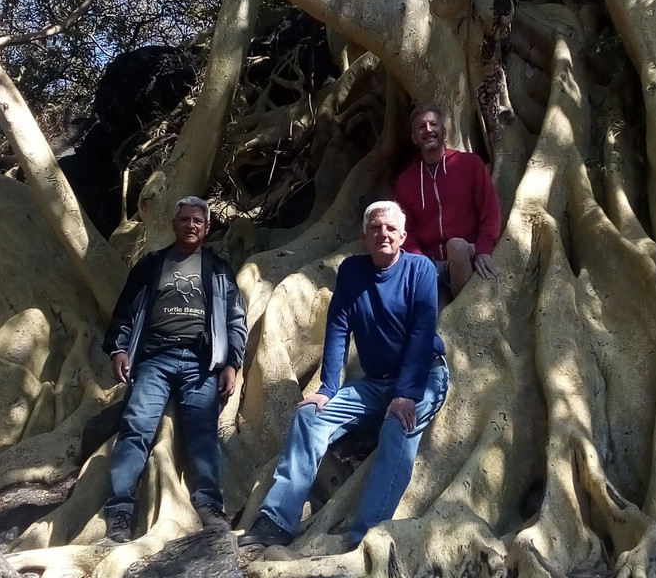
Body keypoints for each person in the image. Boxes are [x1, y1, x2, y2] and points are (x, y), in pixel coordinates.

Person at [237, 200, 448, 549]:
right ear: (364, 235)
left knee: (397, 428)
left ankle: (363, 538)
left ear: (403, 236)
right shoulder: (352, 271)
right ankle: (276, 519)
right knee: (309, 415)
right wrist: (328, 388)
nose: (383, 234)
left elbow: (422, 332)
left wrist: (407, 393)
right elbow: (338, 326)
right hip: (375, 383)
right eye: (376, 228)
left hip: (423, 377)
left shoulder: (420, 270)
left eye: (391, 229)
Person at [101, 196, 248, 543]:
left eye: (198, 220)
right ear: (175, 223)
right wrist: (118, 350)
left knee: (202, 432)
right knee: (136, 426)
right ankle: (120, 510)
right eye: (185, 219)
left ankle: (210, 506)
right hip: (155, 358)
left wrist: (232, 363)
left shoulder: (218, 268)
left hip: (201, 361)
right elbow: (124, 312)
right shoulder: (151, 264)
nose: (191, 225)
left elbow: (235, 319)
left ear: (207, 227)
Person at [394, 105, 502, 297]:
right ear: (414, 137)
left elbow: (490, 209)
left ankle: (461, 309)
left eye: (433, 124)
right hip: (429, 260)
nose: (428, 130)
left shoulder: (470, 164)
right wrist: (417, 258)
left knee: (456, 247)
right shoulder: (406, 181)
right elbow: (405, 228)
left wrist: (484, 248)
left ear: (443, 132)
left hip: (465, 253)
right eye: (421, 127)